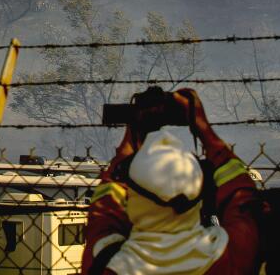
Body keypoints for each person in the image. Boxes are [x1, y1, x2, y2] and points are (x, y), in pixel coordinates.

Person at [81, 88, 261, 275]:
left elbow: (104, 211)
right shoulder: (231, 256)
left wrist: (133, 133)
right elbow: (241, 194)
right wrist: (202, 126)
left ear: (133, 202)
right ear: (197, 196)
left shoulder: (106, 263)